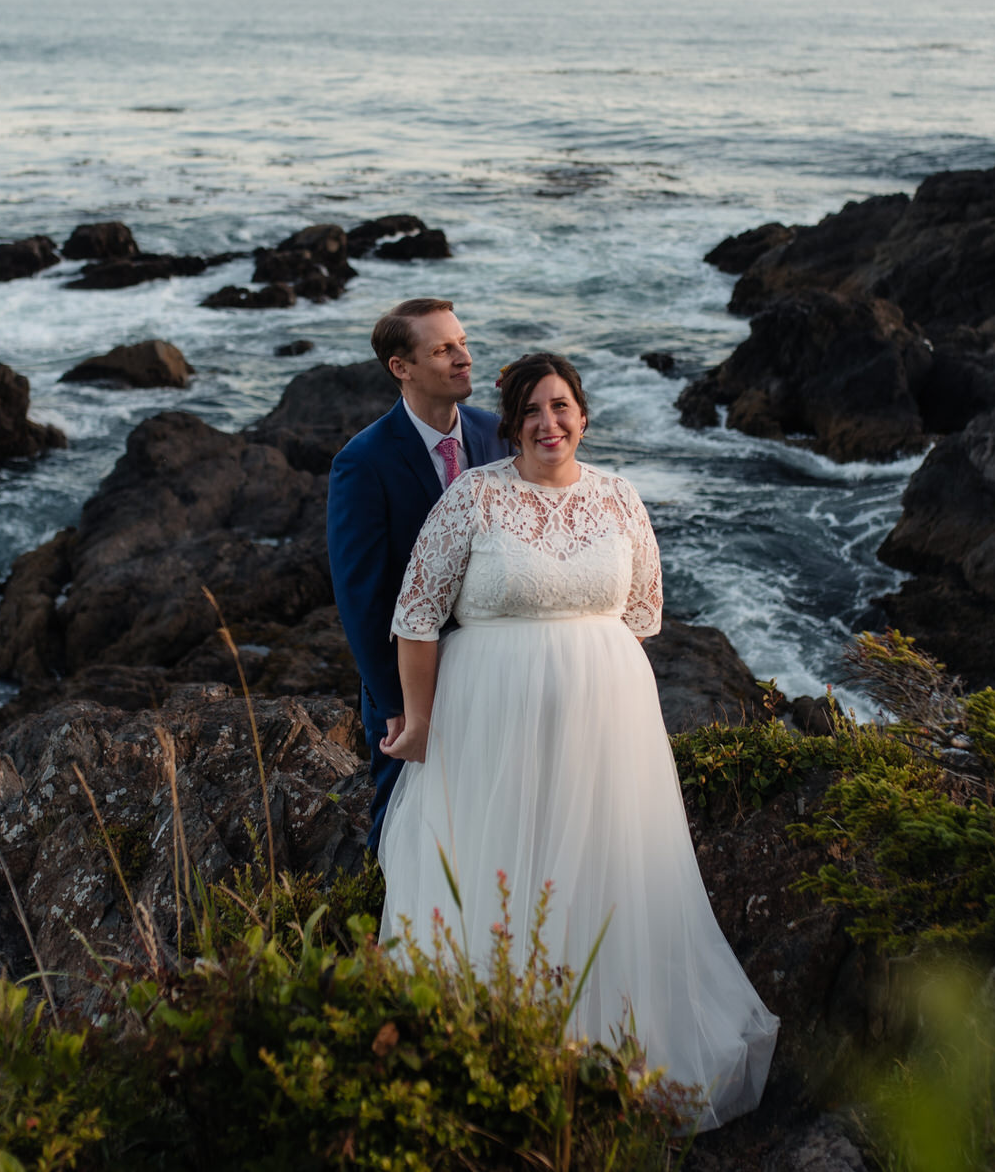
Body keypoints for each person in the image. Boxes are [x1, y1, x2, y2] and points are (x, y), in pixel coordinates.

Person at [377, 352, 778, 1130]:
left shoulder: (621, 499)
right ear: (510, 423)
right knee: (502, 867)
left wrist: (585, 671)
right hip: (488, 723)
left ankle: (610, 1053)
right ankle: (502, 1053)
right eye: (529, 410)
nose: (546, 423)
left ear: (583, 415)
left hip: (607, 726)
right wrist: (420, 720)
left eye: (559, 406)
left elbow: (643, 611)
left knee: (604, 870)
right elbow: (416, 615)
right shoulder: (472, 499)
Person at [327, 298, 505, 851]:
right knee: (404, 820)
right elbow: (361, 595)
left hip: (496, 669)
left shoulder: (497, 435)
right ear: (400, 368)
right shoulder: (364, 461)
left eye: (463, 342)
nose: (463, 358)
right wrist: (398, 702)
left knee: (489, 813)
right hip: (413, 681)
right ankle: (380, 931)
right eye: (442, 349)